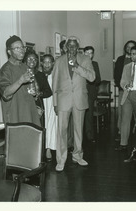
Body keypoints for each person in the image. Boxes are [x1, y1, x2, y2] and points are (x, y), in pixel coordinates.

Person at [52, 36, 95, 172]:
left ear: (78, 47)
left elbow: (92, 77)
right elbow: (54, 83)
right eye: (69, 45)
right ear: (66, 47)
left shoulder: (85, 59)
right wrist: (55, 102)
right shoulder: (58, 61)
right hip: (63, 100)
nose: (71, 48)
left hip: (79, 99)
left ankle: (77, 155)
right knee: (62, 131)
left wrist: (78, 67)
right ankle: (61, 159)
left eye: (74, 45)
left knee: (78, 130)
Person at [0, 35, 40, 126]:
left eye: (22, 47)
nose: (21, 50)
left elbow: (31, 89)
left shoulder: (25, 67)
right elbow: (5, 93)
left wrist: (35, 91)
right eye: (17, 48)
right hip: (15, 116)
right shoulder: (5, 70)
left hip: (29, 113)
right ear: (9, 52)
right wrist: (20, 81)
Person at [116, 45, 136, 154]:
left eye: (134, 54)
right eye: (131, 54)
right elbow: (122, 81)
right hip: (127, 94)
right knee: (125, 120)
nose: (132, 56)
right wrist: (126, 86)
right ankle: (123, 144)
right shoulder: (126, 66)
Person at [114, 40, 136, 140]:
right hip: (123, 90)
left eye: (132, 47)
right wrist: (123, 86)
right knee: (121, 113)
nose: (129, 48)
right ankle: (121, 133)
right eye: (127, 46)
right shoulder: (120, 59)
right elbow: (116, 75)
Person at [23, 50, 52, 126]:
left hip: (38, 106)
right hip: (25, 107)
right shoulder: (21, 75)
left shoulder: (41, 75)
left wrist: (39, 93)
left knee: (39, 129)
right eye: (29, 59)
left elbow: (48, 91)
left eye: (35, 59)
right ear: (25, 60)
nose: (32, 61)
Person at [84, 46, 101, 143]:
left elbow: (98, 80)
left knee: (89, 116)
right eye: (87, 53)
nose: (89, 55)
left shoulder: (95, 64)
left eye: (91, 53)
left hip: (90, 93)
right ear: (83, 53)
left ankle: (90, 136)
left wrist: (90, 77)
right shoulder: (79, 63)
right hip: (79, 93)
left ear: (93, 55)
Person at [42, 54, 57, 161]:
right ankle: (43, 147)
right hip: (42, 102)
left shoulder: (56, 76)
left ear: (52, 64)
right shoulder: (39, 75)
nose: (47, 64)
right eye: (45, 62)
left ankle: (49, 148)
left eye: (49, 62)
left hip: (53, 103)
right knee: (44, 124)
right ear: (42, 63)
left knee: (52, 125)